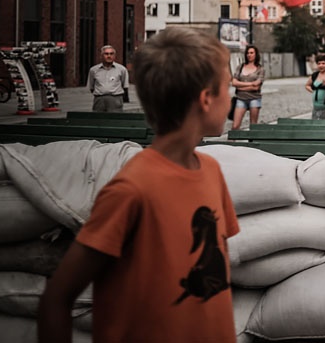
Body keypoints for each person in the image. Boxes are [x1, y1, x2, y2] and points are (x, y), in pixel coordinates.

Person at [38, 27, 240, 343]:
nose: (231, 97)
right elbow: (57, 297)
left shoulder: (211, 171)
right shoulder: (131, 189)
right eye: (227, 88)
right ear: (205, 99)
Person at [86, 45, 129, 112]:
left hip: (115, 99)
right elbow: (91, 87)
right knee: (99, 120)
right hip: (99, 100)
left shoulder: (121, 69)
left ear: (114, 56)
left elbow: (124, 85)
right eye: (106, 54)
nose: (109, 56)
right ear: (101, 55)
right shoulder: (93, 70)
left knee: (115, 120)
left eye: (111, 54)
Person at [232, 45, 264, 129]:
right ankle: (232, 141)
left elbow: (256, 86)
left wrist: (240, 86)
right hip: (241, 98)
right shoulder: (240, 67)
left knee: (253, 126)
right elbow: (234, 82)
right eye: (247, 53)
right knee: (235, 126)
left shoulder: (260, 69)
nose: (249, 55)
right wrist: (251, 84)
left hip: (254, 98)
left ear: (256, 54)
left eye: (251, 53)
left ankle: (251, 142)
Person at [305, 53, 325, 119]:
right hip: (316, 108)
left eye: (323, 63)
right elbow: (307, 85)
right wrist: (314, 91)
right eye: (319, 63)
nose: (321, 65)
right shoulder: (315, 75)